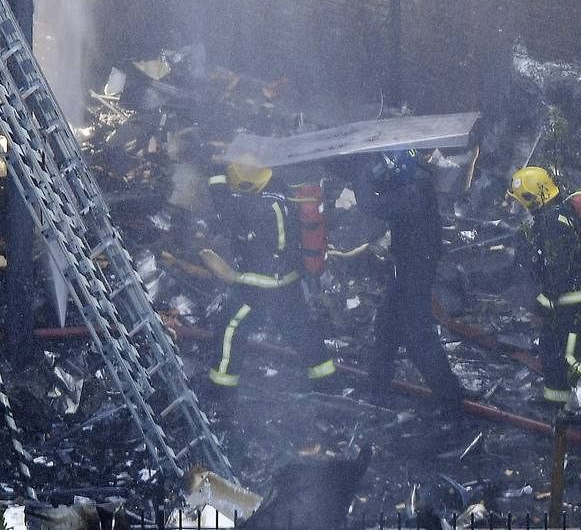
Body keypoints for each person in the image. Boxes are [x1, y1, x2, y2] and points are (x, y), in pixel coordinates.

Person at [199, 155, 336, 393]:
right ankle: (327, 384)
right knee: (301, 330)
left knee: (231, 327)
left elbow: (226, 210)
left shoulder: (255, 207)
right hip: (289, 280)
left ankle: (220, 390)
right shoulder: (278, 189)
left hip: (262, 286)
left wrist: (235, 277)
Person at [353, 149, 465, 417]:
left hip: (416, 268)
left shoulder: (412, 191)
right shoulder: (414, 178)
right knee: (387, 327)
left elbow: (373, 205)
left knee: (418, 338)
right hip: (408, 267)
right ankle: (376, 390)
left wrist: (362, 177)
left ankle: (451, 403)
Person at [507, 166, 581, 404]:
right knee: (551, 349)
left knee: (568, 355)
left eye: (521, 202)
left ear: (532, 199)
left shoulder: (552, 226)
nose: (519, 208)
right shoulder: (556, 214)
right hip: (574, 293)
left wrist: (542, 306)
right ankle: (556, 398)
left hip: (576, 297)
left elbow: (557, 274)